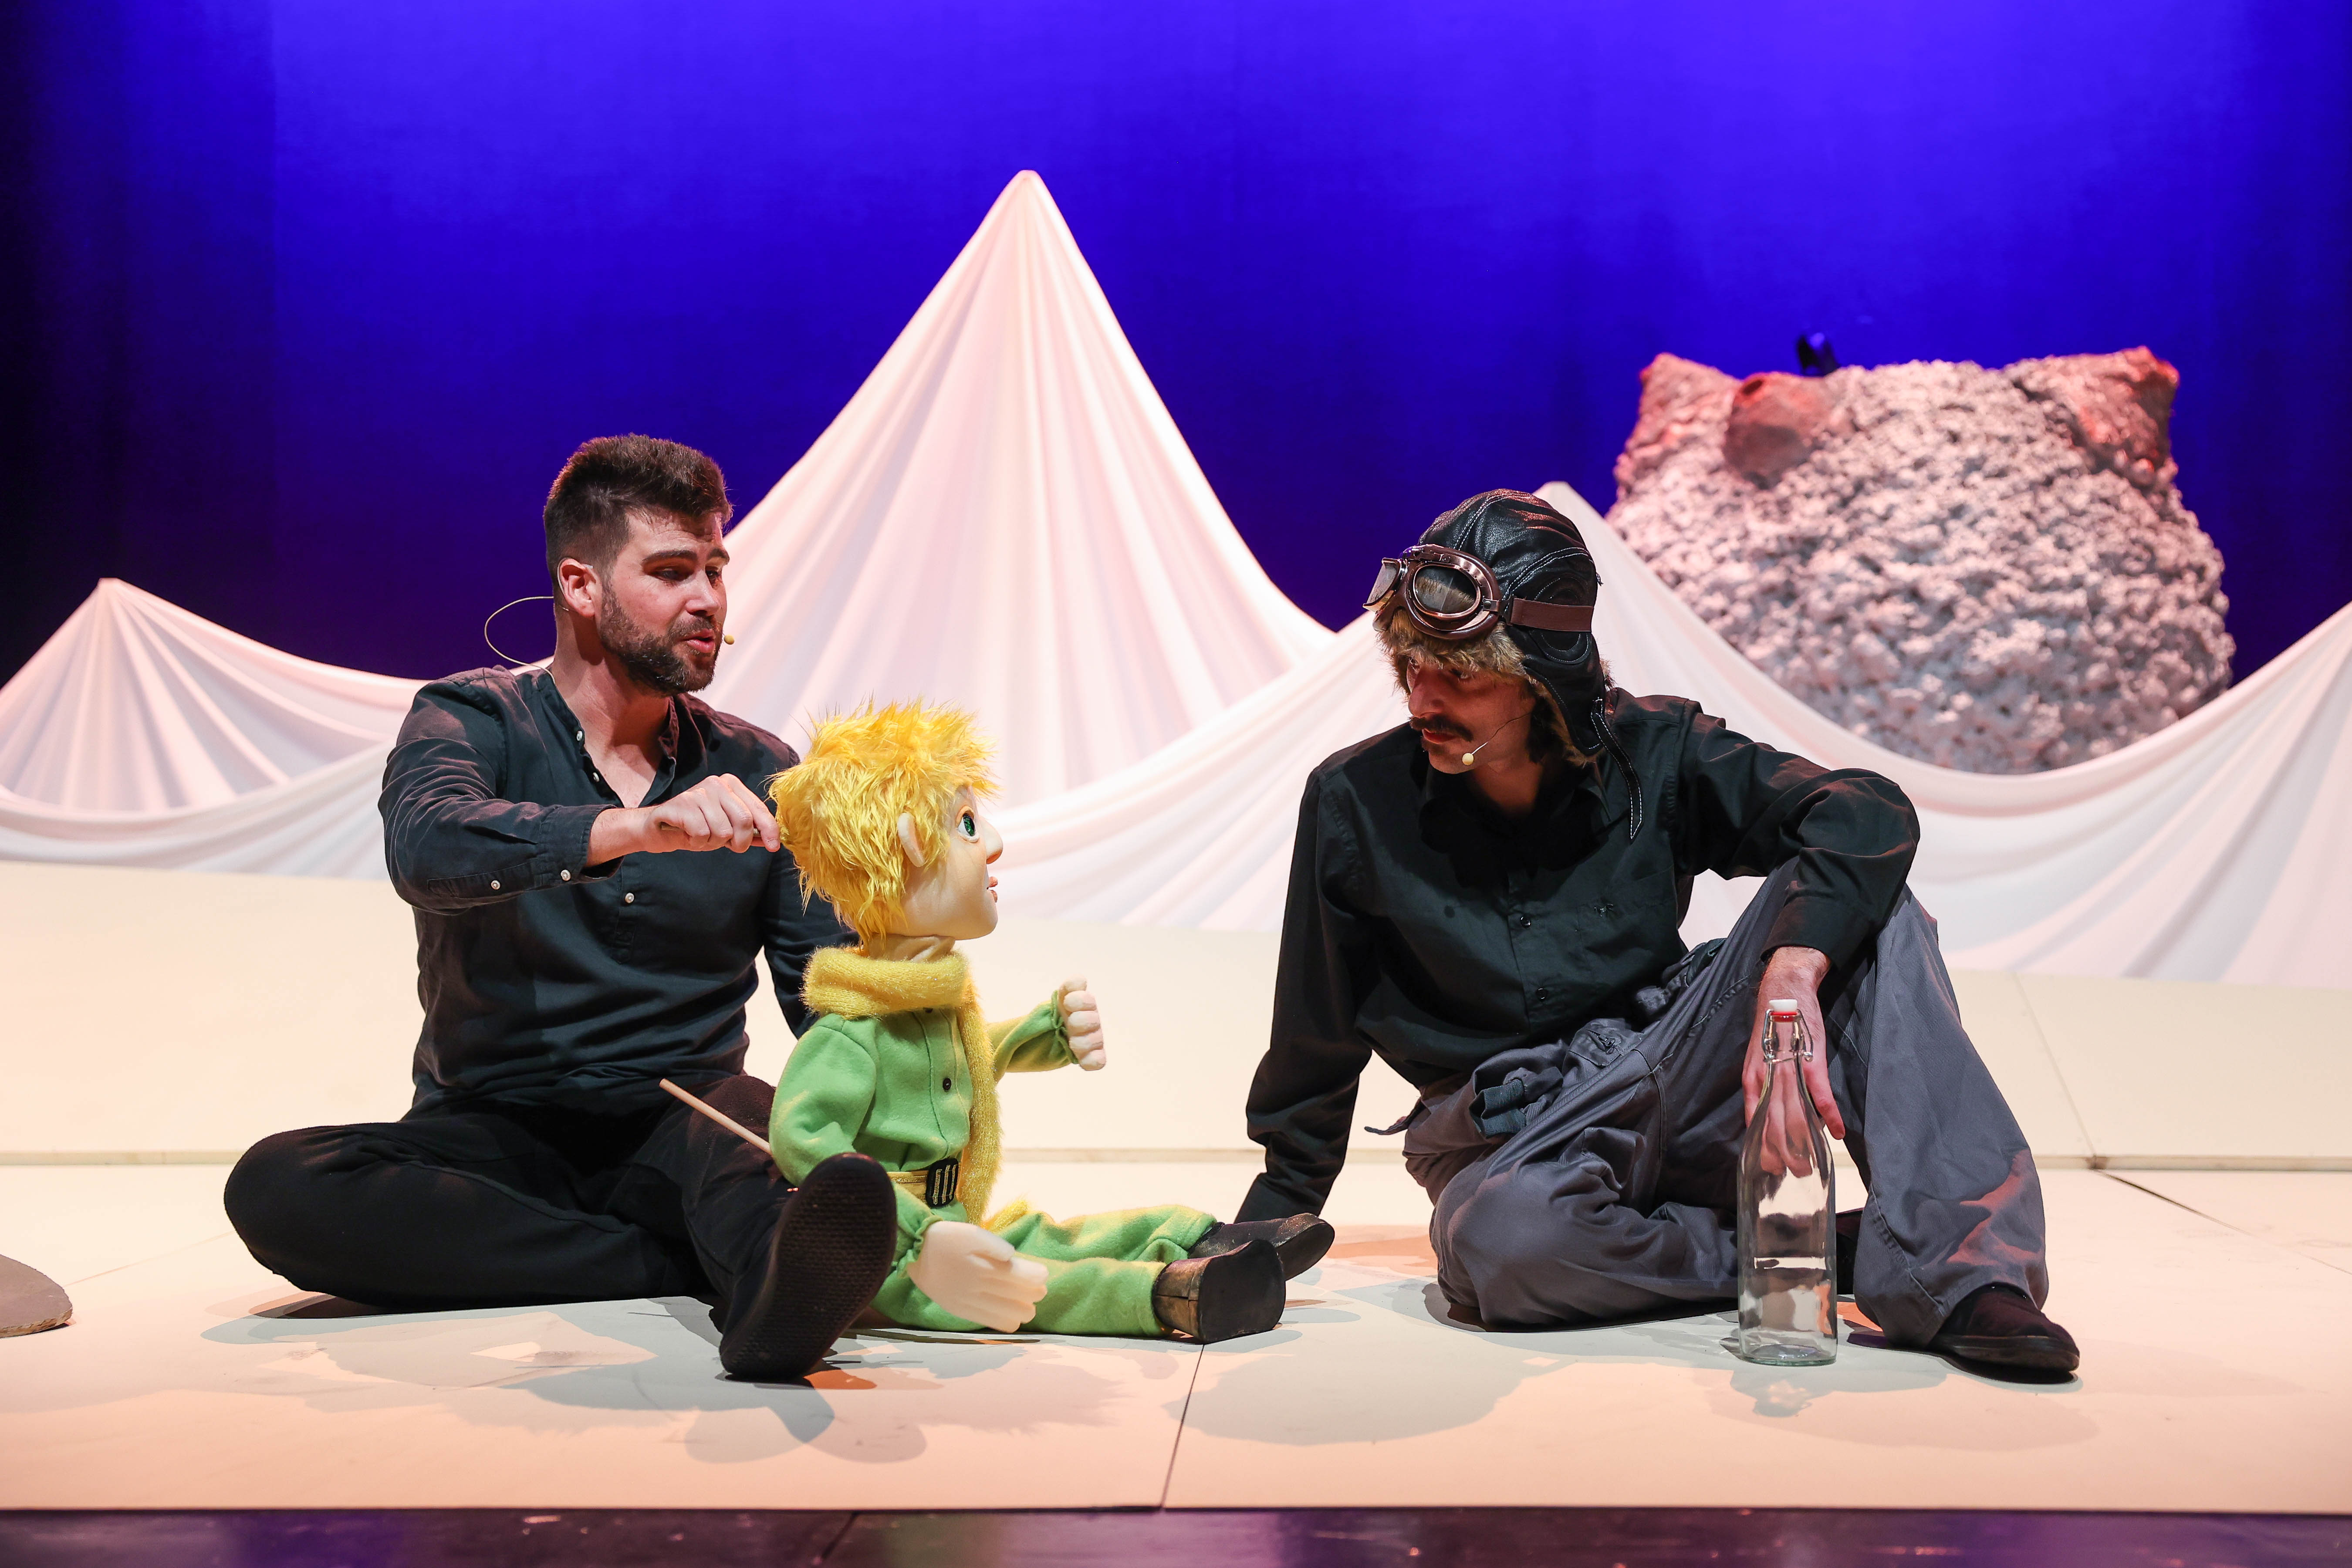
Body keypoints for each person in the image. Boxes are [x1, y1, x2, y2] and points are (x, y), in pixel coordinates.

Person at [1237, 490, 2079, 1374]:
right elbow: (1316, 1028)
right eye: (1411, 666)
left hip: (1675, 1072)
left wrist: (1795, 963)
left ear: (1543, 678)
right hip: (1512, 1139)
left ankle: (1965, 1275)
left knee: (1869, 903)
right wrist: (1278, 1206)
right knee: (1503, 1247)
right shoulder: (1355, 801)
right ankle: (1813, 1251)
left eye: (1463, 675)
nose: (1423, 698)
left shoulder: (1658, 749)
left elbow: (1863, 811)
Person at [224, 435, 897, 1381]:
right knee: (280, 1188)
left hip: (690, 1116)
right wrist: (634, 829)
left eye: (715, 569)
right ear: (581, 586)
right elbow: (428, 847)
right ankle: (689, 1260)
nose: (709, 598)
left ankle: (764, 1284)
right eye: (671, 571)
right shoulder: (472, 717)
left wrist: (923, 1070)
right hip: (494, 1130)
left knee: (758, 1137)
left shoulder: (760, 769)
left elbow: (827, 996)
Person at [764, 700, 1331, 1342]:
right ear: (911, 842)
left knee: (1051, 1236)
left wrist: (1044, 1033)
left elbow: (969, 1057)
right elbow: (803, 1140)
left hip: (958, 1224)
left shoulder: (933, 1006)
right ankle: (1171, 1294)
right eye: (968, 825)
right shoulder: (847, 1036)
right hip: (905, 1263)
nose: (995, 843)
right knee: (1038, 1283)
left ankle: (1206, 1237)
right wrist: (917, 1234)